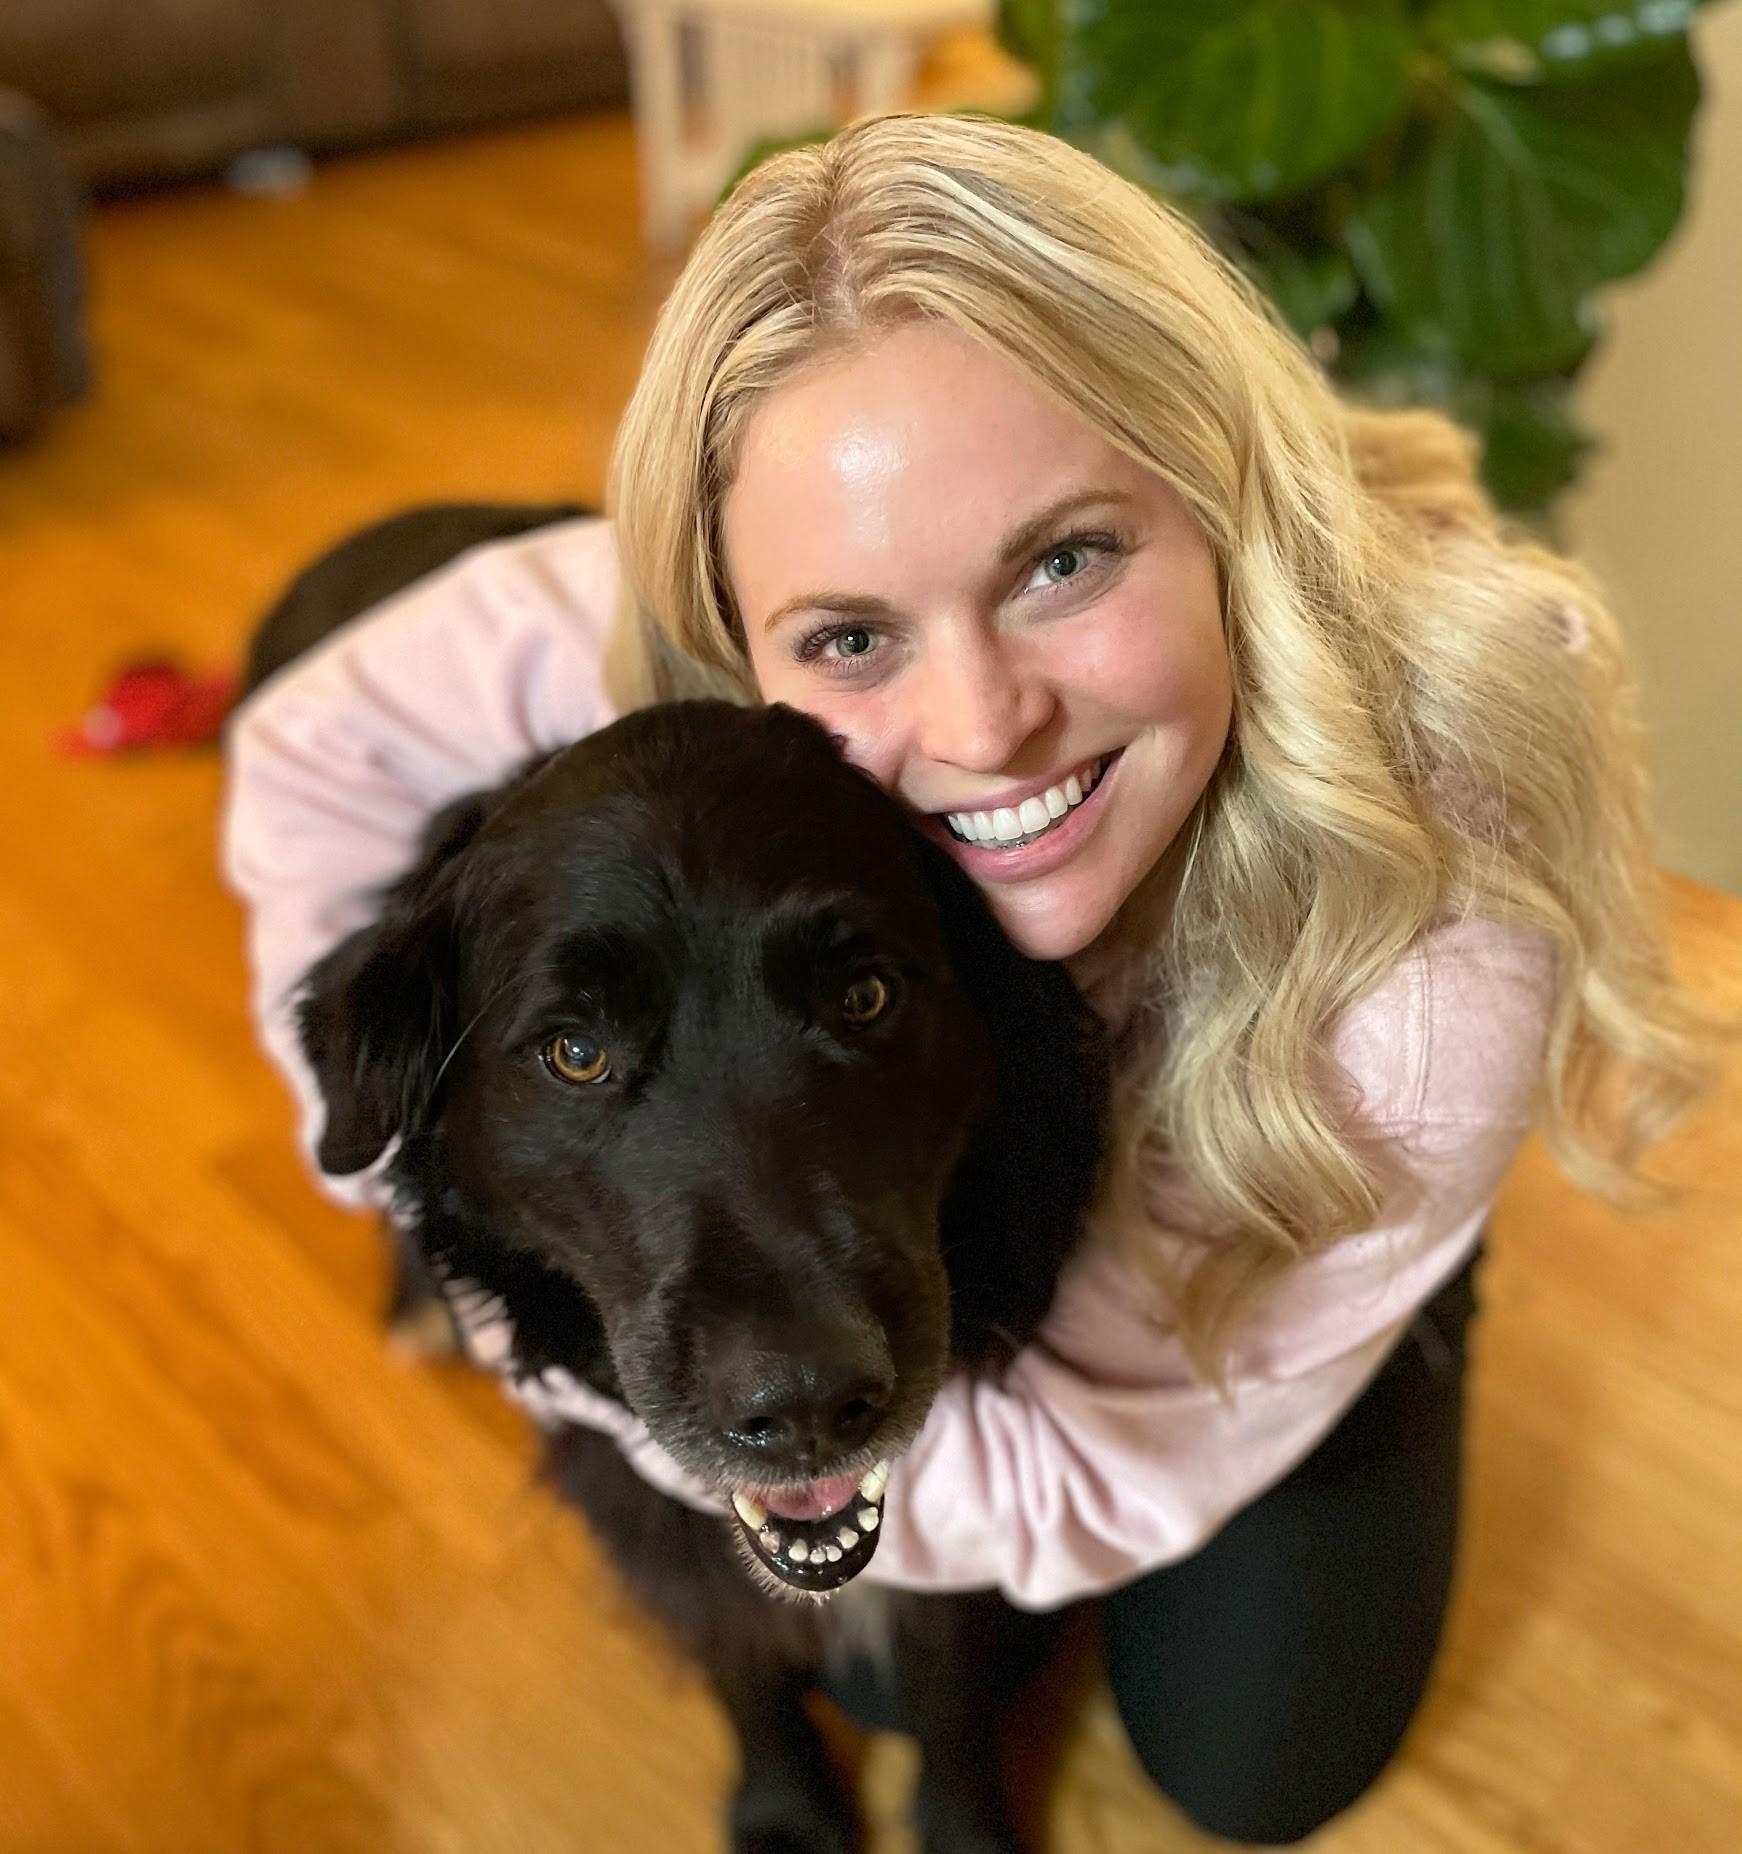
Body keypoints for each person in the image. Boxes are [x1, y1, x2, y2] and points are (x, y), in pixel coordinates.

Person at [222, 113, 1712, 1844]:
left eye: (1063, 559)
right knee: (853, 1635)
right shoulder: (663, 633)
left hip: (1297, 1159)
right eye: (850, 635)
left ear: (1226, 515)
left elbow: (1068, 1483)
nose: (978, 723)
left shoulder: (1434, 928)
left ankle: (1396, 1284)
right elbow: (317, 740)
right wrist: (463, 1234)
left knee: (1256, 1764)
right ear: (731, 627)